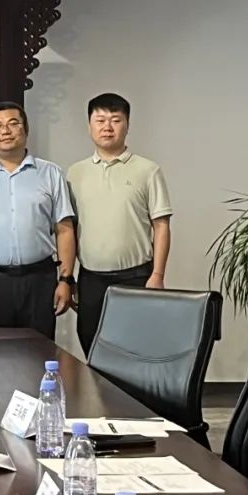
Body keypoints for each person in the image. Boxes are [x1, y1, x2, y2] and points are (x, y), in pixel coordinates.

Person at [67, 93, 173, 356]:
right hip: (90, 278)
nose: (107, 127)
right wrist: (68, 278)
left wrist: (157, 275)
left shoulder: (148, 170)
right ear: (89, 126)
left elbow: (161, 225)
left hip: (136, 277)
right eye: (100, 120)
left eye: (115, 120)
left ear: (127, 125)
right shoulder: (75, 173)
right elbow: (68, 229)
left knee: (135, 349)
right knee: (92, 345)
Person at [0, 101, 76, 341]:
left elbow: (64, 229)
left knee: (39, 350)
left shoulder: (51, 173)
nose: (5, 131)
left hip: (39, 279)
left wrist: (66, 279)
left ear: (25, 129)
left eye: (13, 123)